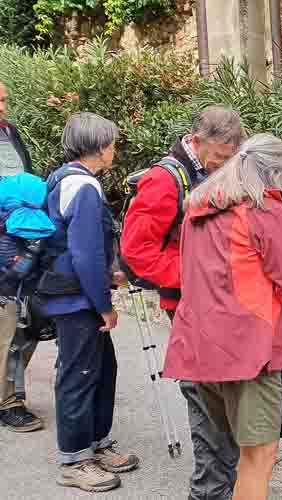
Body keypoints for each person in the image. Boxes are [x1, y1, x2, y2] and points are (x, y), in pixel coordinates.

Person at [163, 133, 282, 500]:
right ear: (274, 175)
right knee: (258, 456)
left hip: (200, 346)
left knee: (223, 450)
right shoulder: (264, 211)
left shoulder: (198, 208)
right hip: (250, 351)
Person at [121, 105, 244, 500]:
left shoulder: (205, 169)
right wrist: (196, 272)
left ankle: (224, 481)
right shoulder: (164, 180)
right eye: (220, 156)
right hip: (188, 305)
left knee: (221, 395)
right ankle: (208, 491)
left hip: (213, 303)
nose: (223, 164)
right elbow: (136, 251)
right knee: (204, 397)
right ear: (198, 138)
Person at [41, 112, 138, 492]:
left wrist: (108, 276)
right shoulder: (84, 187)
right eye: (112, 143)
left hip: (76, 293)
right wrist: (104, 305)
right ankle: (75, 458)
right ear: (99, 147)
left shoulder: (65, 178)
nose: (114, 150)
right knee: (79, 375)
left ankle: (95, 443)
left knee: (100, 369)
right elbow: (85, 255)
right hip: (75, 300)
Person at [0, 80, 43, 432]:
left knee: (22, 318)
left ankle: (11, 393)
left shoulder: (9, 131)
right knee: (7, 320)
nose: (2, 107)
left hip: (21, 230)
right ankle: (8, 402)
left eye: (4, 100)